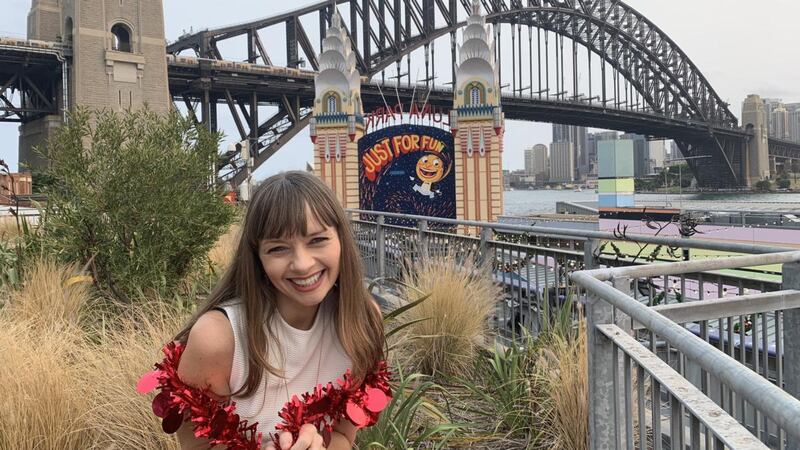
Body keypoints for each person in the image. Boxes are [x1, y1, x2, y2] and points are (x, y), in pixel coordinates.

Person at [172, 171, 386, 450]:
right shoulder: (218, 338)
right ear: (257, 257)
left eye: (317, 240)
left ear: (341, 239)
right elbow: (198, 447)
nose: (302, 264)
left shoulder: (363, 322)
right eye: (278, 249)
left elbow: (344, 437)